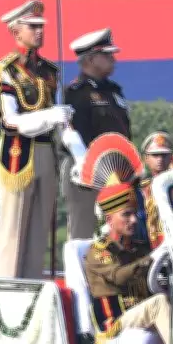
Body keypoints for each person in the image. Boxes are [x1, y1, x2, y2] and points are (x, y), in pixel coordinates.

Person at [0, 0, 73, 279]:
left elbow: (62, 120)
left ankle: (32, 284)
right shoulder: (5, 71)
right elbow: (11, 120)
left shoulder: (49, 71)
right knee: (13, 227)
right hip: (18, 153)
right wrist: (50, 116)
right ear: (15, 31)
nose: (39, 32)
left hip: (47, 152)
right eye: (32, 26)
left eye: (41, 26)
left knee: (39, 229)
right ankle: (6, 285)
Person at [84, 180, 172, 344]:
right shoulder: (99, 252)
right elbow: (119, 276)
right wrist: (150, 259)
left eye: (135, 214)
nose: (133, 220)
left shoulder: (138, 248)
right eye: (126, 215)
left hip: (138, 313)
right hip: (114, 323)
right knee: (159, 303)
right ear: (109, 220)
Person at [62, 28, 130, 240]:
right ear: (91, 59)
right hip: (85, 173)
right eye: (107, 55)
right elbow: (73, 134)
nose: (113, 59)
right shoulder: (75, 93)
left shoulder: (114, 90)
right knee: (84, 231)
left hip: (116, 171)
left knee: (116, 231)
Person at [138, 131, 173, 249]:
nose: (160, 159)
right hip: (147, 244)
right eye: (155, 155)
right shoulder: (141, 190)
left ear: (171, 157)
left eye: (164, 155)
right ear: (146, 159)